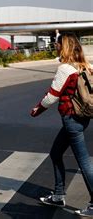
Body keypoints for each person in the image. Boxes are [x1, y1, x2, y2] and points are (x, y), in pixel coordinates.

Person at [30, 33, 93, 216]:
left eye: (57, 44)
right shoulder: (85, 66)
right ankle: (58, 195)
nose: (55, 46)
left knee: (83, 161)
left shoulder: (65, 68)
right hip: (82, 117)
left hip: (72, 119)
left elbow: (52, 96)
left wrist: (37, 110)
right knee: (56, 153)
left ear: (63, 46)